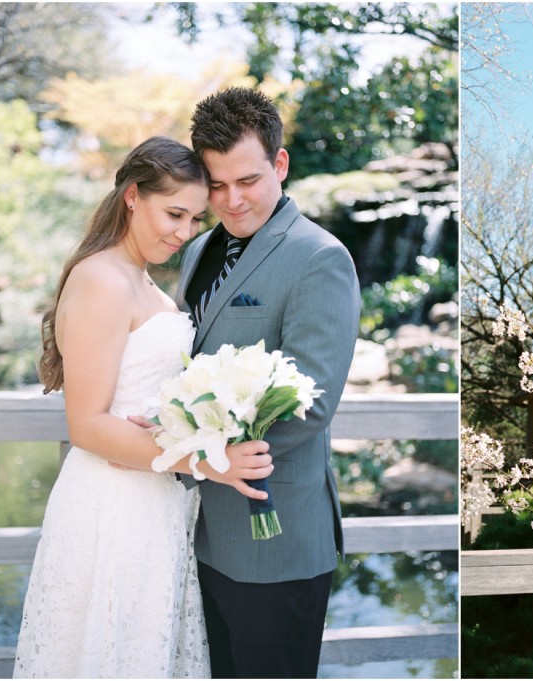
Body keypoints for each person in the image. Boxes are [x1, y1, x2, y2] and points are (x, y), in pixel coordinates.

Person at [14, 136, 275, 678]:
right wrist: (205, 463)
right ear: (133, 196)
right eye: (173, 213)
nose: (183, 233)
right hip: (111, 503)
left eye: (194, 219)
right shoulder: (102, 279)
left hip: (155, 500)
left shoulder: (147, 284)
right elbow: (86, 425)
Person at [177, 87, 360, 678]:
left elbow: (314, 400)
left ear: (280, 165)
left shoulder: (319, 256)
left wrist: (202, 455)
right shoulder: (197, 250)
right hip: (200, 534)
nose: (232, 200)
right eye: (216, 183)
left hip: (276, 539)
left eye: (248, 180)